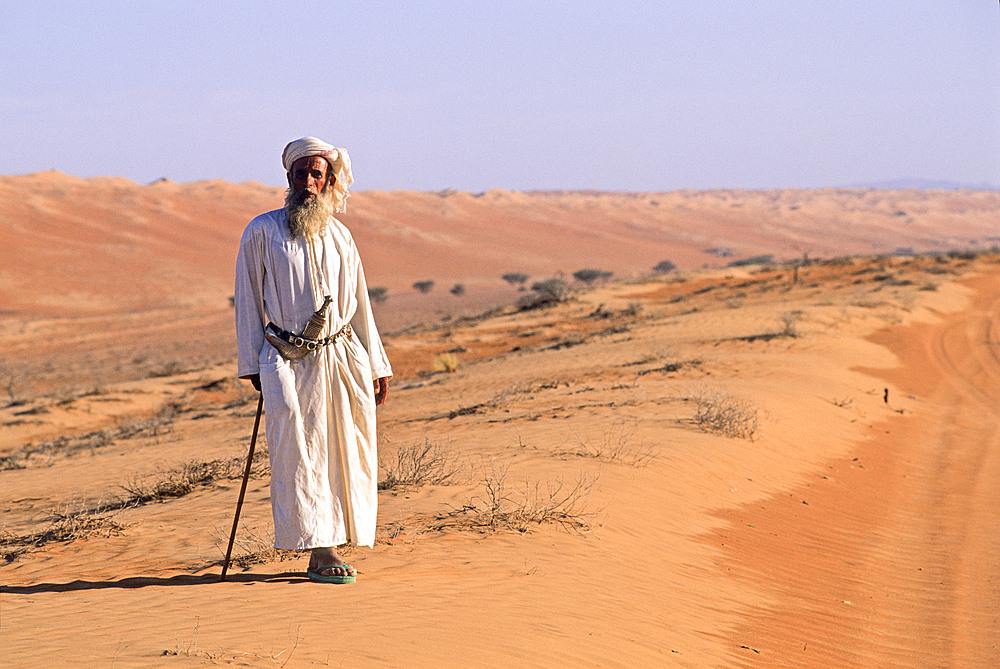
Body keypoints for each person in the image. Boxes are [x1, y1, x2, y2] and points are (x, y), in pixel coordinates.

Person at [234, 137, 392, 584]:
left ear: (329, 182)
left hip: (344, 359)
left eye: (316, 174)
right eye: (300, 173)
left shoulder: (342, 236)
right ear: (288, 178)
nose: (307, 181)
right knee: (300, 453)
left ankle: (336, 540)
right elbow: (247, 300)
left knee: (345, 450)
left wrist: (377, 364)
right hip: (287, 361)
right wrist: (251, 363)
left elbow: (360, 304)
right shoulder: (261, 232)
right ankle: (319, 549)